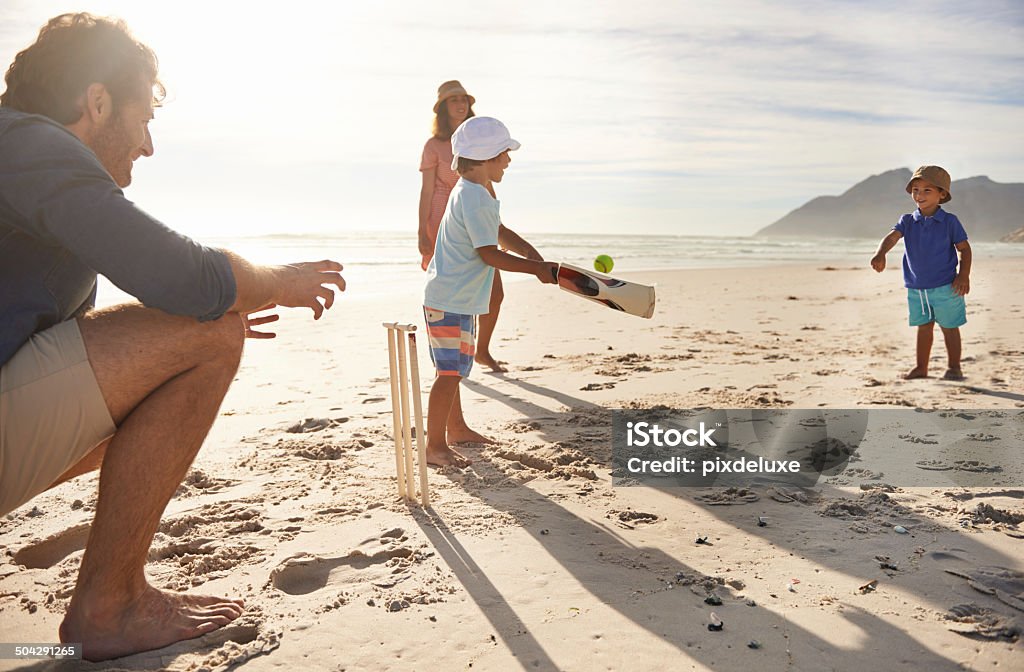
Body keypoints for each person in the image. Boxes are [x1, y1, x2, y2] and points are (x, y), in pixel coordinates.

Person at [0, 14, 345, 661]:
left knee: (180, 352)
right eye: (144, 116)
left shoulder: (17, 156)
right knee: (212, 333)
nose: (149, 144)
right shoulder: (32, 146)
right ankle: (111, 607)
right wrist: (273, 282)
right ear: (96, 101)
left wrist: (169, 335)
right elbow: (182, 274)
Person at [422, 116, 557, 467]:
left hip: (457, 298)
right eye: (504, 155)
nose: (508, 161)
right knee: (449, 375)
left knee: (455, 371)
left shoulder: (471, 191)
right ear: (484, 158)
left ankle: (457, 429)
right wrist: (535, 270)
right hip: (450, 299)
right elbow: (489, 253)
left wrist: (529, 252)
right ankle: (435, 446)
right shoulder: (475, 197)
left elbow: (496, 230)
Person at [418, 80, 508, 372]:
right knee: (450, 295)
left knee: (495, 291)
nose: (460, 104)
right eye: (453, 100)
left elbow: (485, 186)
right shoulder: (434, 146)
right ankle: (450, 360)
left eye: (464, 100)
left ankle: (480, 350)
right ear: (443, 107)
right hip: (446, 221)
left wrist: (498, 226)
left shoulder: (481, 141)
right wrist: (423, 231)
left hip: (477, 215)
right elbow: (427, 191)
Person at [871, 165, 972, 380]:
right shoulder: (907, 220)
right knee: (923, 328)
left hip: (947, 286)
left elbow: (964, 248)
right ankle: (921, 368)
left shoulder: (949, 221)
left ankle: (954, 367)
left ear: (941, 194)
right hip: (917, 288)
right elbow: (891, 237)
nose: (919, 195)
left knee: (949, 327)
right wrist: (881, 253)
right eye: (916, 189)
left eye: (927, 190)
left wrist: (963, 275)